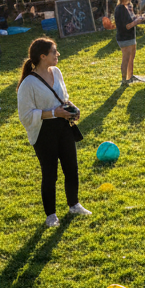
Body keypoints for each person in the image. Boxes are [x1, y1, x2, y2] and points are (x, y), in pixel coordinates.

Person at [16, 38, 90, 226]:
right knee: (50, 174)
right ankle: (51, 215)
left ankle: (74, 204)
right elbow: (25, 116)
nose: (57, 54)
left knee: (71, 168)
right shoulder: (28, 84)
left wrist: (72, 108)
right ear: (42, 56)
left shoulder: (57, 72)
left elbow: (63, 98)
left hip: (64, 127)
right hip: (43, 132)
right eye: (54, 52)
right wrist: (52, 113)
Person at [114, 0, 145, 83]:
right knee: (126, 58)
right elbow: (127, 26)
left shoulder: (128, 6)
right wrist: (137, 21)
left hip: (131, 36)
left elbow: (132, 19)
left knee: (131, 57)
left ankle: (130, 76)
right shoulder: (120, 9)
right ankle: (124, 79)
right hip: (124, 37)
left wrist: (139, 17)